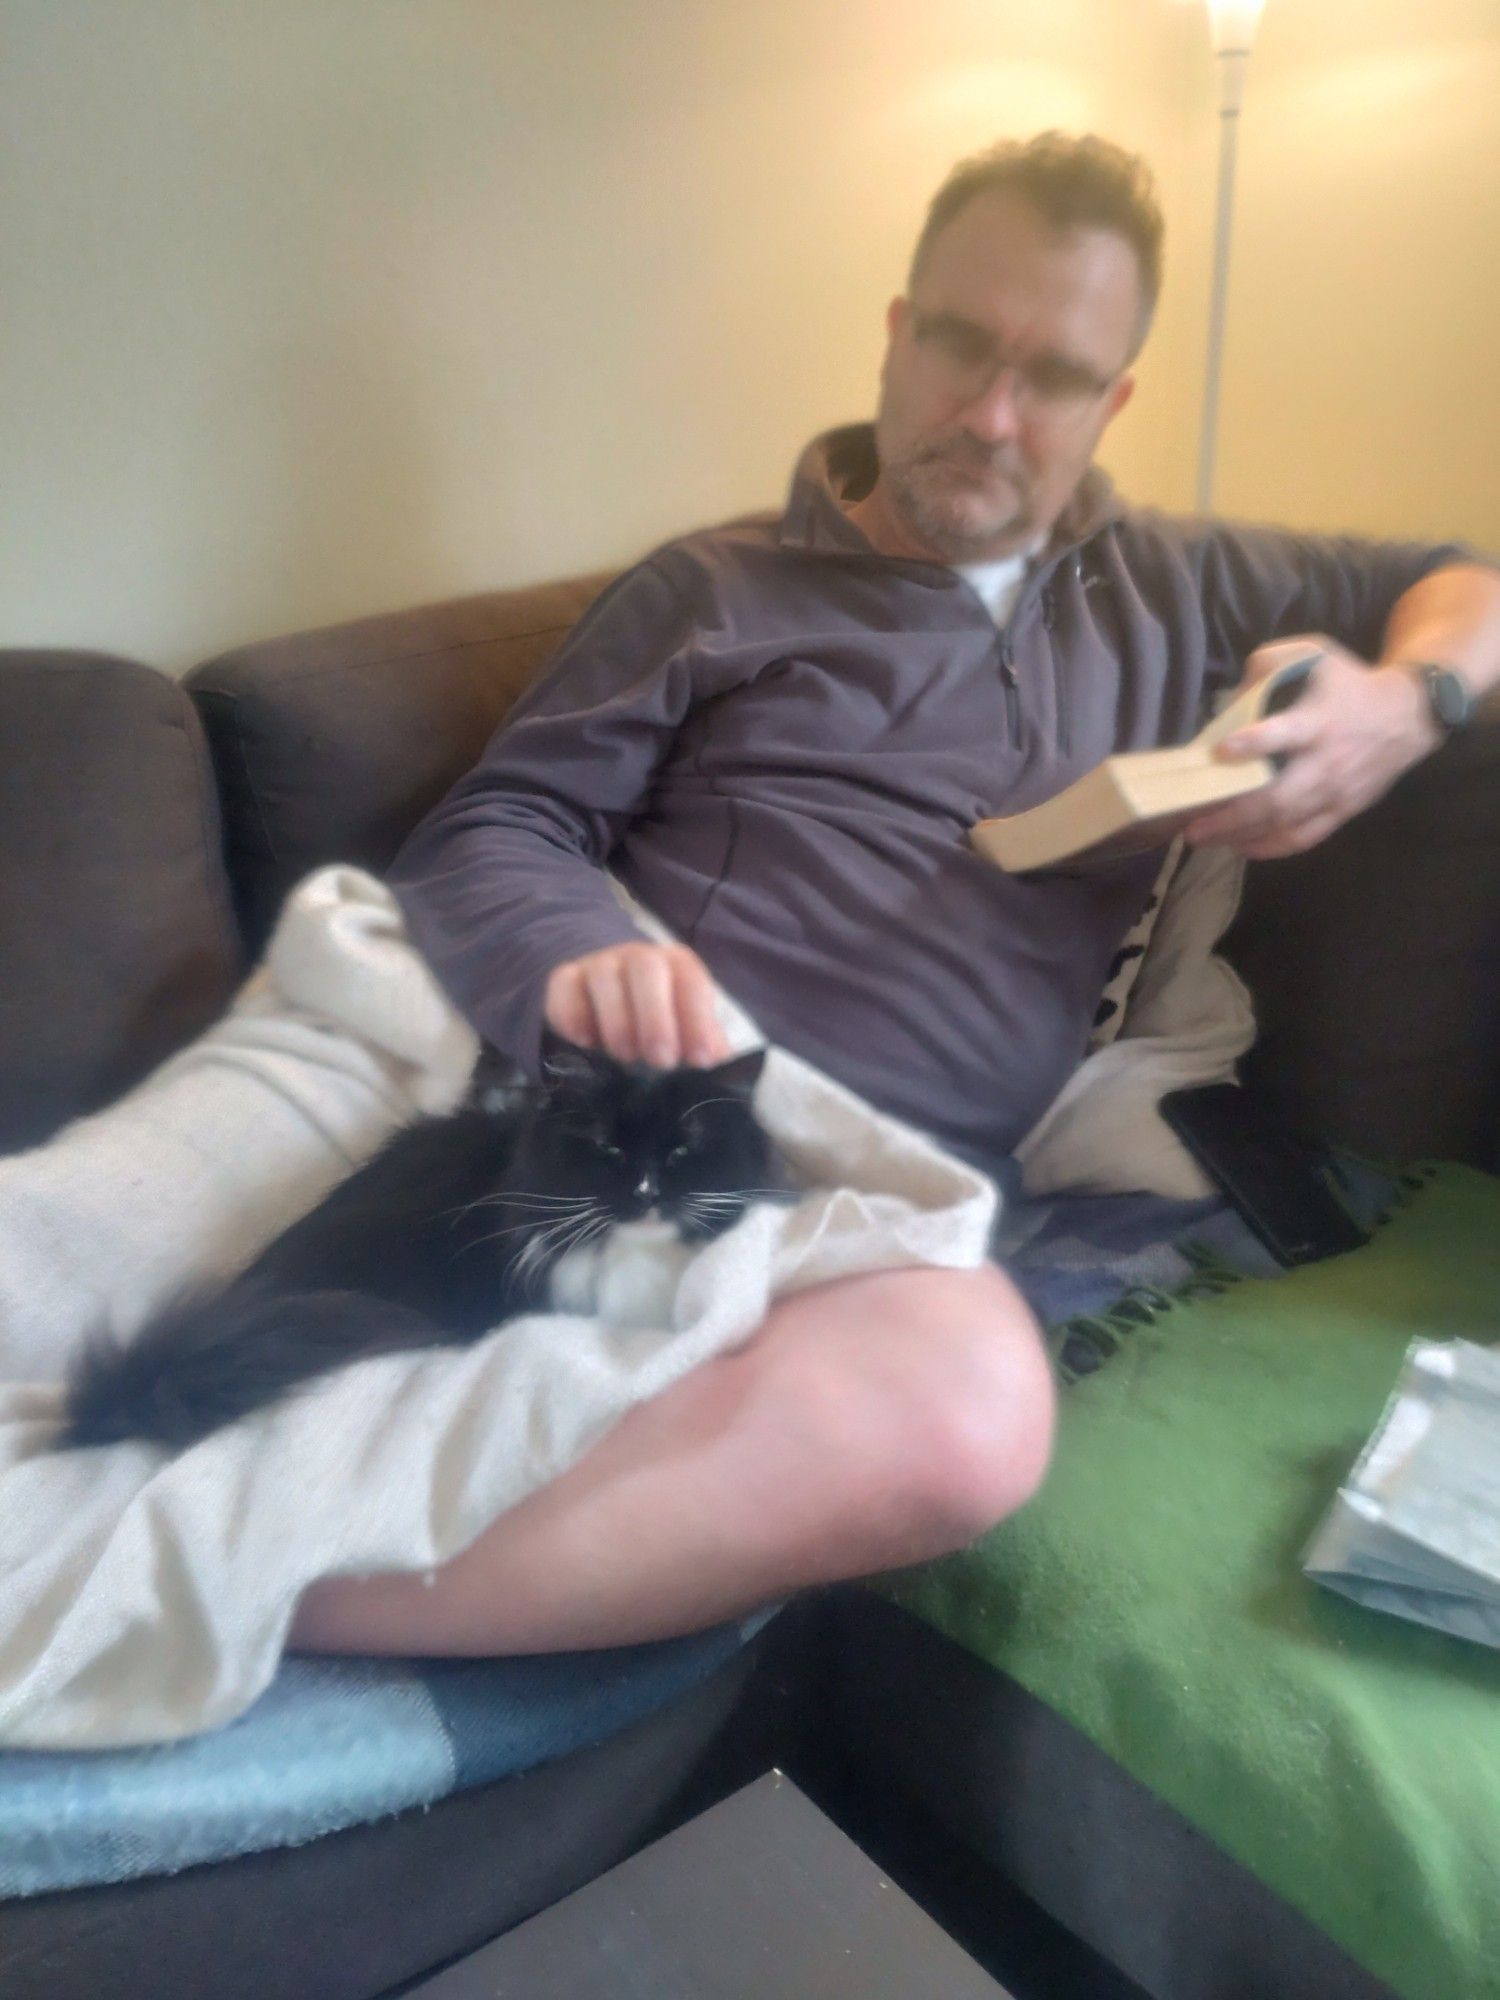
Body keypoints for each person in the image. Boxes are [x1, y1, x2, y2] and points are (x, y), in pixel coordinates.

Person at [289, 132, 1500, 1658]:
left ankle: (300, 1571)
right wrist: (581, 957)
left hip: (881, 1226)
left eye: (1054, 375)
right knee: (971, 1409)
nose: (992, 415)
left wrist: (1406, 709)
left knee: (966, 1412)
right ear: (895, 331)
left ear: (1114, 400)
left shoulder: (1182, 582)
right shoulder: (716, 588)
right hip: (663, 1135)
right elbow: (492, 831)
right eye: (959, 346)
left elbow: (1467, 578)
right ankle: (263, 1582)